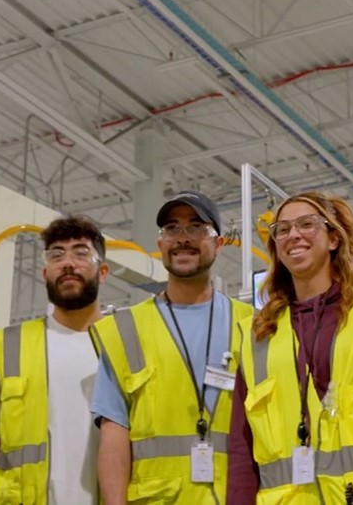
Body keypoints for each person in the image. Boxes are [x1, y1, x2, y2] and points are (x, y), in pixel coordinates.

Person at [227, 191, 353, 504]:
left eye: (306, 224)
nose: (293, 235)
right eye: (282, 229)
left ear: (334, 239)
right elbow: (241, 447)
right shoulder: (258, 333)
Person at [91, 191, 254, 505]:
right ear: (160, 243)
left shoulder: (252, 325)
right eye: (172, 228)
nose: (183, 238)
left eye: (196, 227)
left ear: (219, 244)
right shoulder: (125, 330)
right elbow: (113, 432)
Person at [0, 214, 109, 504]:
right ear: (45, 273)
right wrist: (10, 489)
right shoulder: (9, 346)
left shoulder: (125, 346)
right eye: (57, 254)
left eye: (81, 253)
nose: (67, 263)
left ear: (103, 272)